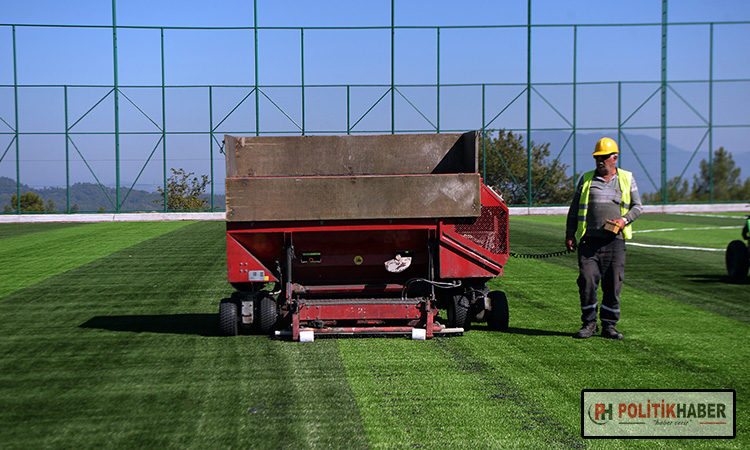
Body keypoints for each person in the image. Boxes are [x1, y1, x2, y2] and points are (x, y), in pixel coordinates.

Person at [565, 137, 643, 339]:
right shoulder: (587, 179)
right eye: (597, 157)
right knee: (587, 280)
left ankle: (609, 325)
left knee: (613, 283)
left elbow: (638, 207)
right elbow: (575, 209)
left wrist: (624, 220)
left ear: (614, 158)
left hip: (614, 243)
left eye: (604, 157)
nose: (600, 161)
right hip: (589, 242)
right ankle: (589, 323)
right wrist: (569, 234)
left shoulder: (626, 178)